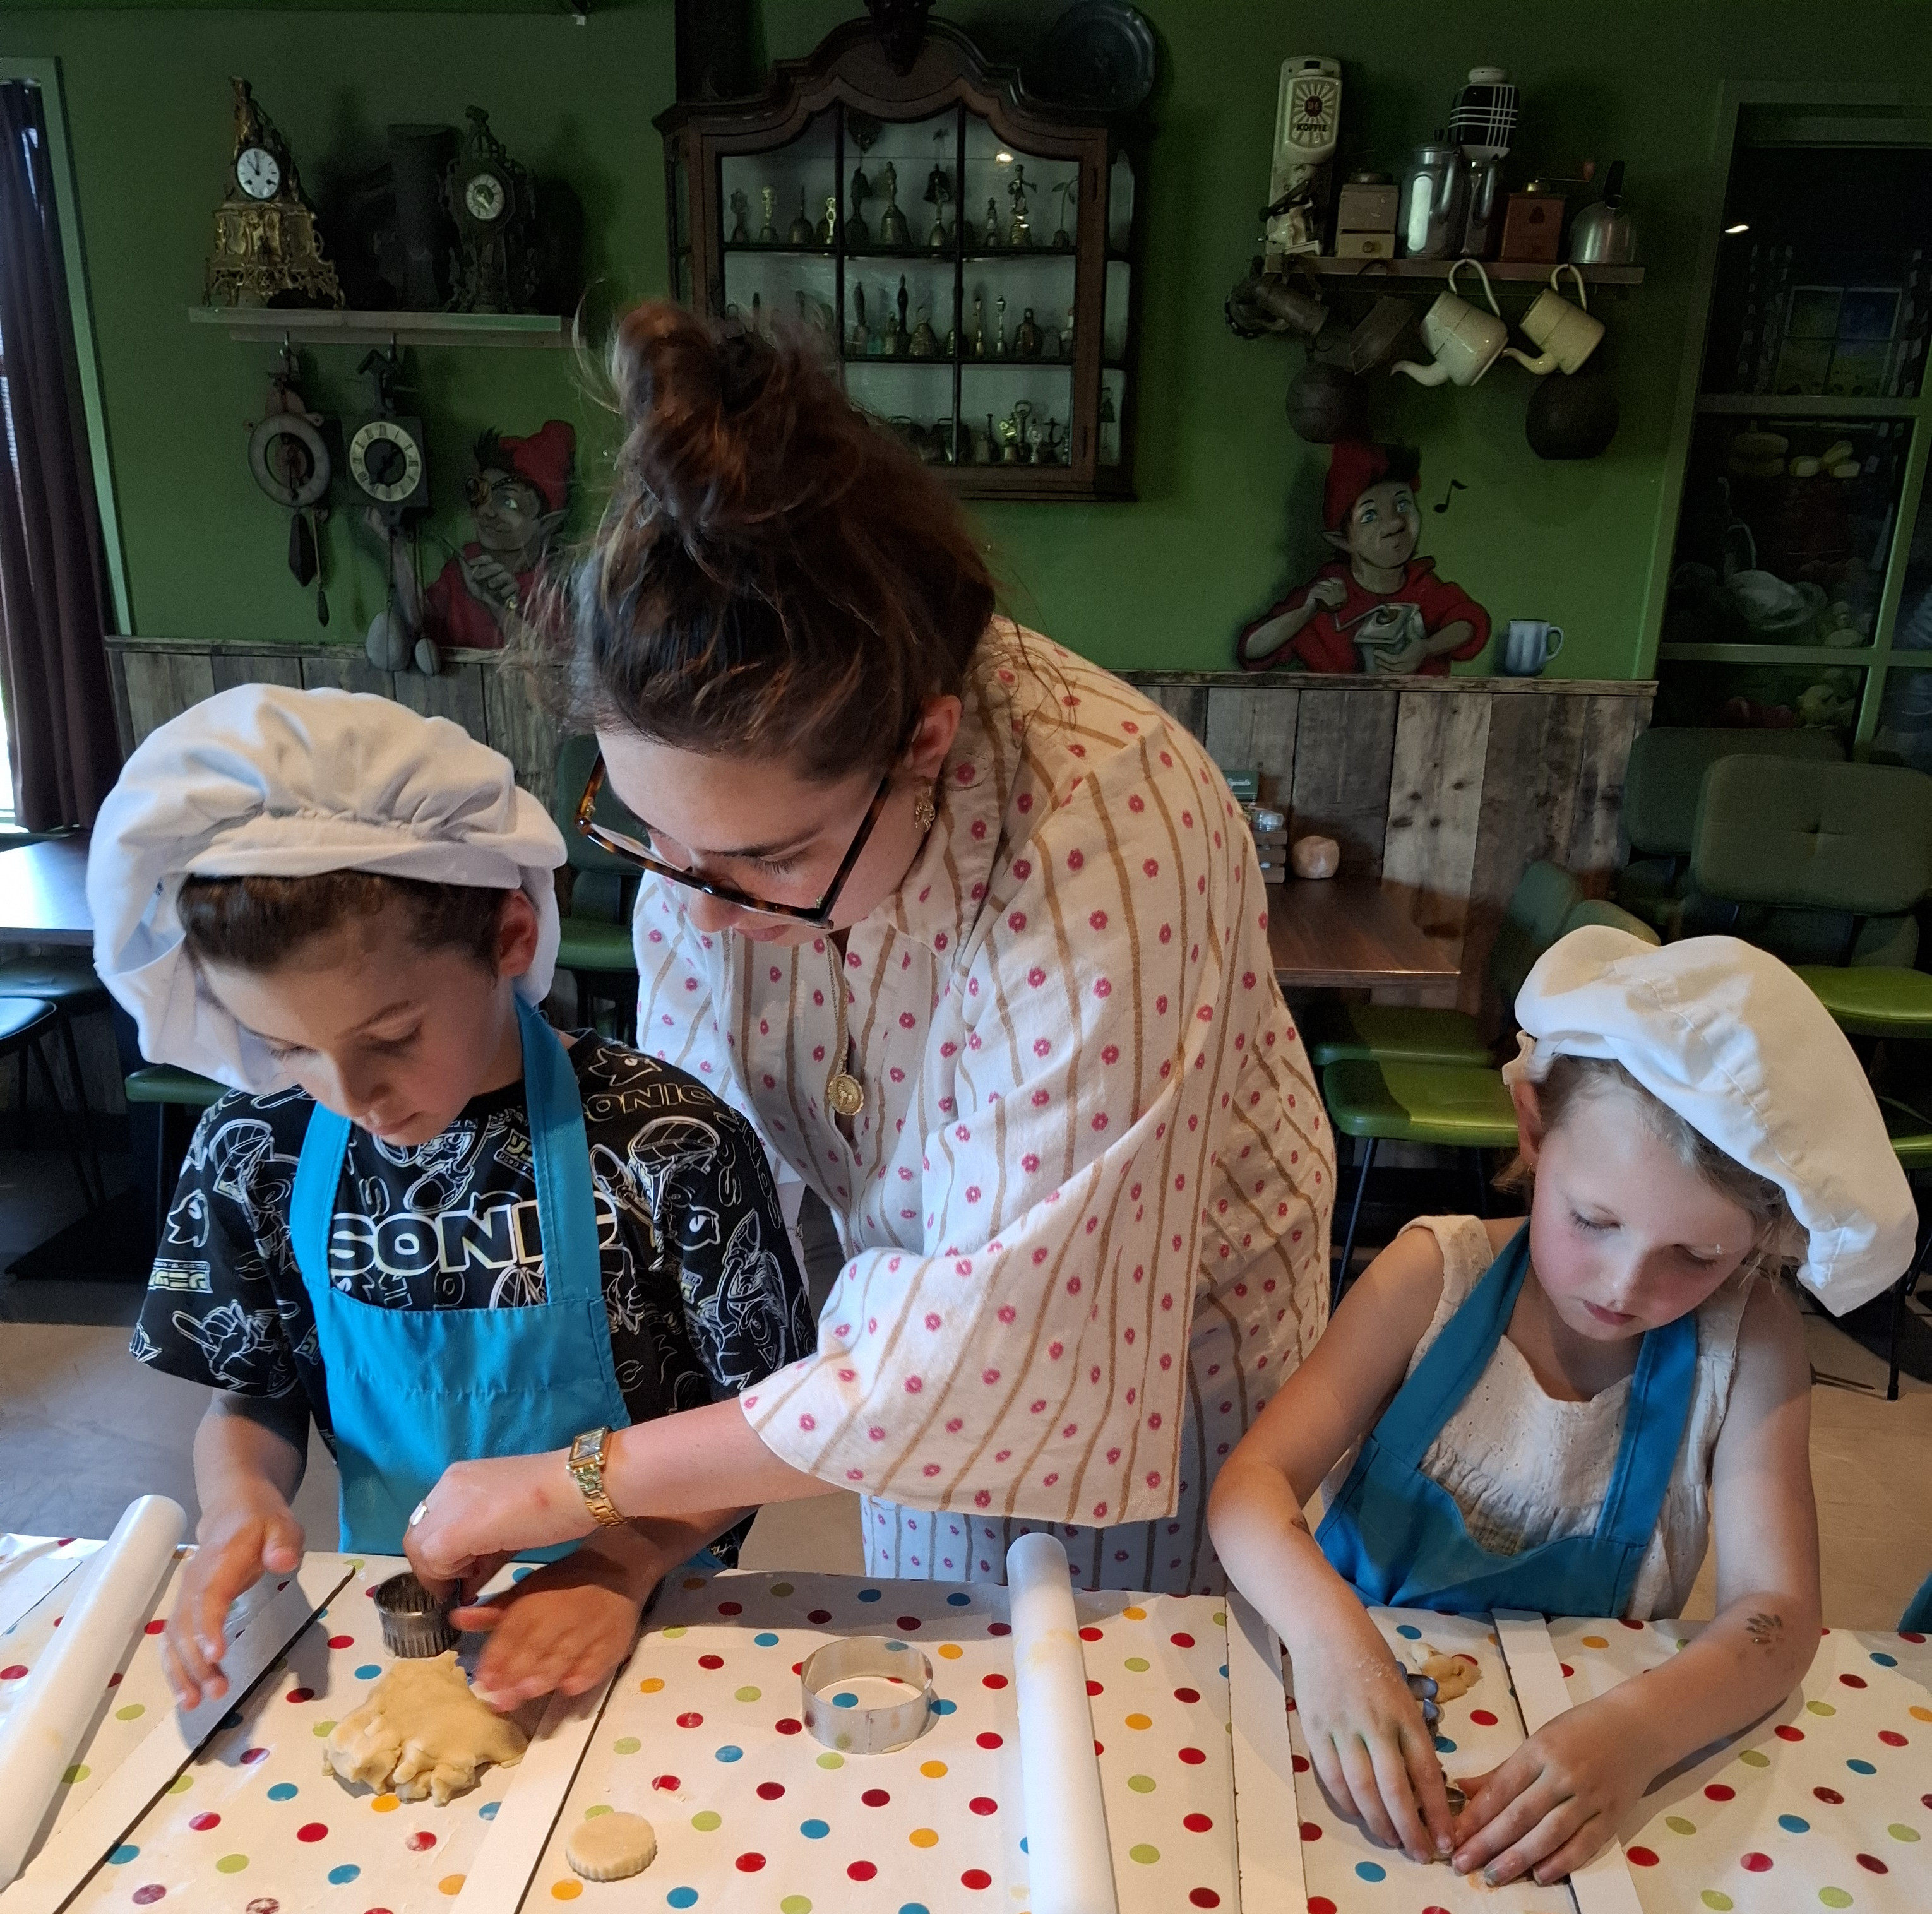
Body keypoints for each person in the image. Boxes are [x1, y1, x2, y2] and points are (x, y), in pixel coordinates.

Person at [401, 301, 1334, 1603]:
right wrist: (643, 1535)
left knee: (1126, 1724)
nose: (705, 912)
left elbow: (996, 1351)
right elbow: (714, 1179)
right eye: (659, 842)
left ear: (929, 750)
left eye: (771, 861)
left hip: (1158, 1341)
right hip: (914, 1350)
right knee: (961, 1672)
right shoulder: (707, 834)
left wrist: (583, 1483)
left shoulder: (1109, 819)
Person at [91, 686, 810, 1713]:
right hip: (404, 1629)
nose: (353, 1096)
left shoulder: (668, 1146)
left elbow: (776, 1432)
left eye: (390, 1039)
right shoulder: (255, 1147)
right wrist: (238, 1501)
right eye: (288, 1047)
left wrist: (617, 1563)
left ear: (510, 934)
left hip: (661, 1618)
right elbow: (253, 1393)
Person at [1209, 927, 1915, 1885]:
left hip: (1577, 1777)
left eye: (1698, 1258)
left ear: (1765, 1235)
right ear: (1534, 1130)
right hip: (1340, 1729)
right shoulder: (1431, 1278)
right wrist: (1338, 1648)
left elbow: (1780, 1615)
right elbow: (1249, 1491)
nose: (1627, 1286)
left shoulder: (1747, 1345)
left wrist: (1635, 1733)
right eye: (1594, 1221)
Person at [1236, 440, 1489, 677]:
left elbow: (1470, 622)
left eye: (1402, 505)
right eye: (1369, 516)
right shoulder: (1328, 594)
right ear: (1342, 540)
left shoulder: (1422, 586)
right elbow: (1252, 649)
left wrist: (1425, 648)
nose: (1393, 524)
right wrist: (1308, 610)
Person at [421, 420, 575, 651]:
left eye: (508, 502)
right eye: (481, 493)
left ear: (549, 523)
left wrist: (499, 606)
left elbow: (546, 671)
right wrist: (395, 548)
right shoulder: (463, 565)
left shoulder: (551, 590)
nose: (485, 511)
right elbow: (424, 621)